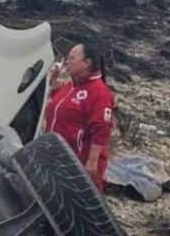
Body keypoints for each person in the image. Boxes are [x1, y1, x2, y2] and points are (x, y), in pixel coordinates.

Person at [42, 43, 116, 192]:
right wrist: (53, 79)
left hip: (78, 162)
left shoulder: (98, 92)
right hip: (58, 157)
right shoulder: (72, 85)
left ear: (86, 63)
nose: (67, 62)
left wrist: (92, 162)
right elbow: (58, 102)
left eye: (72, 58)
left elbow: (101, 128)